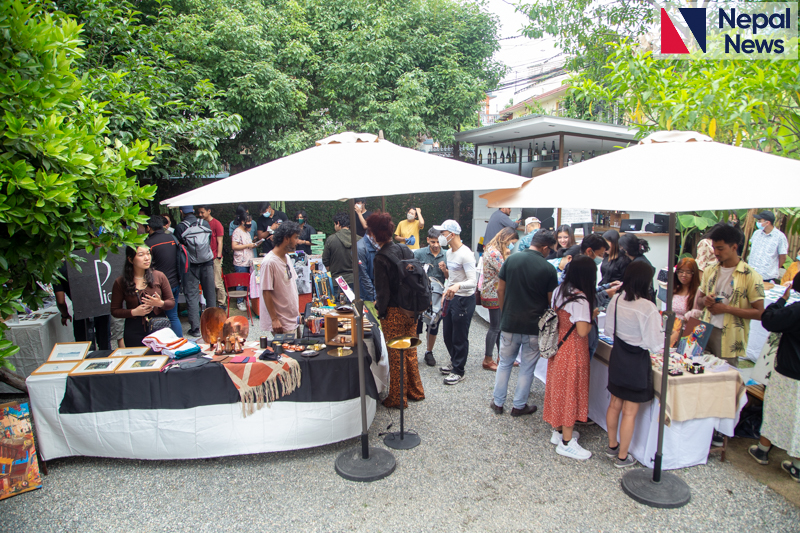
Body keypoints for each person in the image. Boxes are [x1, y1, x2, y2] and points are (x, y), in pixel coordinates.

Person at [604, 261, 664, 468]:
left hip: (618, 356)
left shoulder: (617, 299)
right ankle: (623, 456)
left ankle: (612, 445)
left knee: (614, 404)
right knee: (630, 412)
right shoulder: (648, 307)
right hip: (637, 360)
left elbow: (609, 331)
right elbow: (655, 344)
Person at [491, 231, 558, 416]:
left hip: (510, 321)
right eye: (549, 250)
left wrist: (505, 312)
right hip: (534, 326)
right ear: (544, 247)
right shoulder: (548, 269)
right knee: (527, 367)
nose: (549, 253)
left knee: (505, 363)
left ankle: (498, 403)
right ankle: (519, 406)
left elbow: (500, 290)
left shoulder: (511, 260)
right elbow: (551, 301)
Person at [543, 255, 597, 460]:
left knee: (559, 388)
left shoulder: (559, 290)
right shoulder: (581, 299)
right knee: (570, 392)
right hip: (573, 350)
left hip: (558, 346)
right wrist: (593, 316)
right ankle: (567, 442)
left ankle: (558, 431)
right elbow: (583, 331)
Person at [748, 273, 800, 482]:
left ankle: (762, 449)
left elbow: (769, 319)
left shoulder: (796, 311)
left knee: (777, 409)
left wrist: (781, 300)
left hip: (790, 369)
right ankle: (796, 465)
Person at [371, 212, 425, 408]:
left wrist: (381, 312)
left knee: (396, 354)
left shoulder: (380, 258)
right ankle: (415, 391)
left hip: (394, 312)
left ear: (374, 234)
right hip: (412, 308)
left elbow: (382, 292)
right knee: (410, 350)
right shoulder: (404, 248)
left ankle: (397, 398)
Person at [695, 224, 765, 367]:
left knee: (724, 379)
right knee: (698, 372)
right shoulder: (710, 270)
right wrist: (705, 300)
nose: (716, 252)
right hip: (704, 329)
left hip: (730, 336)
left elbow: (759, 313)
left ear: (734, 247)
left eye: (720, 248)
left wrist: (726, 309)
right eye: (714, 248)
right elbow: (699, 301)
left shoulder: (751, 276)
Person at [435, 219, 477, 385]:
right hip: (451, 297)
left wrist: (458, 286)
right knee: (447, 335)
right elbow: (451, 278)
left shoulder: (466, 254)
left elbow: (473, 281)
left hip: (464, 299)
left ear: (452, 235)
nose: (440, 237)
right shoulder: (449, 252)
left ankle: (459, 370)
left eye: (443, 233)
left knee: (459, 336)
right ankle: (454, 361)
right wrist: (446, 287)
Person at [110, 246, 175, 347]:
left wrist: (159, 303)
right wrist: (134, 312)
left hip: (159, 327)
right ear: (130, 259)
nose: (147, 258)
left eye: (148, 253)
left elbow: (171, 302)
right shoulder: (120, 282)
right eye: (141, 255)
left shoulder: (159, 276)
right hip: (133, 330)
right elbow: (114, 310)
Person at [480, 227, 519, 371]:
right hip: (494, 293)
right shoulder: (495, 253)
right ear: (506, 238)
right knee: (495, 327)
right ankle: (487, 359)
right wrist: (508, 256)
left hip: (494, 292)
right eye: (511, 242)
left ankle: (500, 356)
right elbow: (505, 271)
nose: (511, 246)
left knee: (499, 327)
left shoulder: (491, 249)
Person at [174, 206, 216, 338]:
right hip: (207, 263)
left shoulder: (180, 227)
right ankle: (213, 324)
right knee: (210, 294)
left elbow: (178, 248)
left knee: (192, 296)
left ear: (181, 212)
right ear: (194, 211)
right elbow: (208, 241)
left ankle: (196, 328)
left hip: (190, 265)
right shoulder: (204, 223)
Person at [53, 263, 112, 350]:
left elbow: (60, 301)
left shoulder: (59, 269)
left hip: (80, 311)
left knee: (84, 348)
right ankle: (106, 362)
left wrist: (65, 314)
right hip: (100, 307)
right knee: (105, 344)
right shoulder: (91, 260)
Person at [259, 222, 302, 334]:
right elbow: (266, 292)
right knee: (286, 351)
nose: (297, 241)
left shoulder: (287, 257)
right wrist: (274, 319)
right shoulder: (269, 262)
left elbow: (291, 287)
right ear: (286, 238)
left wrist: (297, 312)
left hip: (293, 319)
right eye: (295, 237)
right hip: (281, 323)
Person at [144, 216, 183, 337]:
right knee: (173, 316)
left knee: (157, 318)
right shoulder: (172, 238)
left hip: (159, 286)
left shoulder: (148, 244)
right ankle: (179, 341)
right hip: (175, 282)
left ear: (148, 227)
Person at [413, 228, 446, 367]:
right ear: (427, 240)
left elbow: (451, 278)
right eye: (433, 241)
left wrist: (445, 270)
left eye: (438, 242)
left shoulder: (447, 255)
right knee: (416, 325)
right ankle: (412, 352)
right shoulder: (418, 253)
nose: (436, 244)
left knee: (434, 325)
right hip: (420, 294)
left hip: (438, 295)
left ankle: (429, 351)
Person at [197, 206, 226, 310]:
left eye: (202, 212)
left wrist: (218, 256)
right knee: (208, 282)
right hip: (205, 257)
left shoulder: (216, 224)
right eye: (199, 212)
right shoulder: (200, 223)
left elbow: (220, 241)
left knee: (217, 282)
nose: (200, 215)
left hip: (214, 257)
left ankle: (222, 303)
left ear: (209, 211)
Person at [748, 210, 788, 283]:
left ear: (767, 222)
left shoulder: (780, 237)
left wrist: (773, 268)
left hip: (767, 277)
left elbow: (783, 256)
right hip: (751, 274)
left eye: (760, 221)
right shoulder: (756, 233)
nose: (758, 222)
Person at [231, 212, 258, 311]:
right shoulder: (237, 232)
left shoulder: (247, 232)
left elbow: (248, 244)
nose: (250, 224)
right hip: (240, 261)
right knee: (240, 283)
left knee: (248, 282)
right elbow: (234, 246)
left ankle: (247, 299)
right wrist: (247, 246)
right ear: (242, 222)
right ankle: (240, 301)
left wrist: (254, 244)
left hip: (248, 260)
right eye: (248, 222)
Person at [322, 212, 354, 289]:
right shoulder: (359, 239)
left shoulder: (331, 240)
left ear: (338, 223)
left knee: (338, 301)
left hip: (337, 281)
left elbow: (325, 261)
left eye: (334, 224)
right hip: (356, 280)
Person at [618, 233, 655, 301]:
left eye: (620, 247)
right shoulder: (639, 260)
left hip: (642, 300)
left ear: (625, 249)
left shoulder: (639, 265)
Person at [356, 228, 378, 302]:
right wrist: (374, 297)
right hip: (366, 295)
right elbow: (363, 275)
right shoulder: (360, 248)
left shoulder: (378, 244)